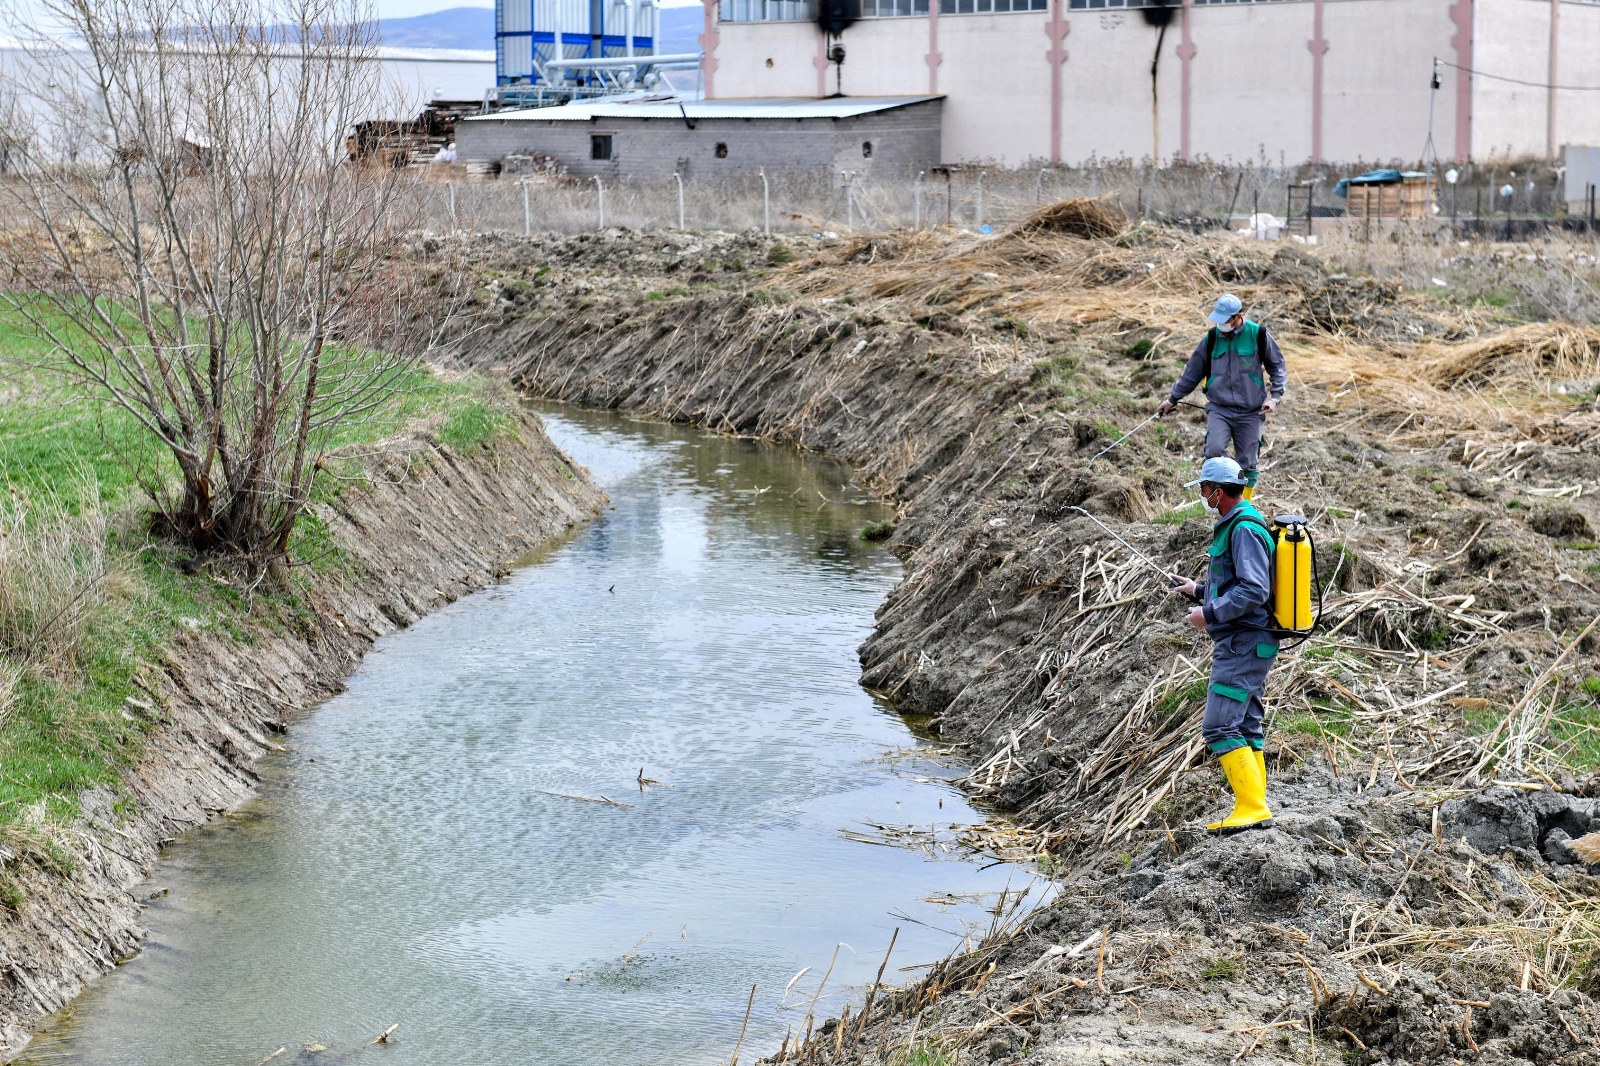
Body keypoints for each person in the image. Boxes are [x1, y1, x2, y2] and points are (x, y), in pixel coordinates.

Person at [1170, 456, 1278, 833]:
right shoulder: (1239, 523)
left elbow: (1254, 589)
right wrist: (1198, 590)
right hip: (1250, 641)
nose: (1203, 496)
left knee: (1219, 726)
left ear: (1218, 492)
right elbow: (1240, 583)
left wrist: (1209, 613)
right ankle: (1255, 806)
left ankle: (1251, 807)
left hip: (1243, 642)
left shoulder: (1243, 528)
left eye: (1204, 489)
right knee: (1246, 725)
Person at [1158, 294, 1286, 501]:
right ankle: (1218, 501)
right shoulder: (1210, 339)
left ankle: (1243, 507)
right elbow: (1192, 372)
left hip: (1251, 411)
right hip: (1220, 408)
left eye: (1225, 320)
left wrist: (1275, 397)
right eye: (1218, 320)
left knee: (1248, 462)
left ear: (1238, 317)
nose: (1221, 324)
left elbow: (1278, 366)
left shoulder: (1259, 335)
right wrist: (1172, 399)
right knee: (1214, 451)